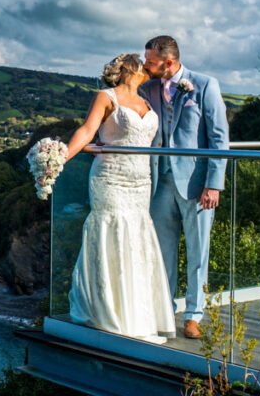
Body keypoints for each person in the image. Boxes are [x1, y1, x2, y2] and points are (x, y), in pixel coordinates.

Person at [63, 53, 176, 344]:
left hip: (141, 182)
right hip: (110, 178)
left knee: (136, 239)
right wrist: (60, 158)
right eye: (143, 63)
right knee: (111, 233)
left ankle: (137, 313)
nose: (148, 68)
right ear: (130, 68)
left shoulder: (147, 100)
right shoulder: (105, 96)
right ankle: (109, 310)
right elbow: (88, 130)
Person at [140, 35, 229, 340]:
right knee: (162, 253)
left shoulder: (204, 85)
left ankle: (193, 315)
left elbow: (219, 138)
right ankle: (164, 310)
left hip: (196, 183)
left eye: (150, 61)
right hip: (160, 182)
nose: (145, 65)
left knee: (197, 251)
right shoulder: (148, 87)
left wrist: (214, 184)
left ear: (169, 61)